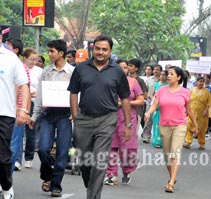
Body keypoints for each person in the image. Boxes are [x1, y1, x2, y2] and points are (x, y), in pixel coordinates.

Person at [67, 35, 131, 199]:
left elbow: (125, 98)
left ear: (110, 51)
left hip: (107, 119)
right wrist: (75, 116)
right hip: (84, 119)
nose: (100, 52)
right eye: (98, 49)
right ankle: (91, 184)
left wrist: (128, 125)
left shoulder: (117, 71)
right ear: (92, 49)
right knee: (82, 157)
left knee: (100, 159)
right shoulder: (81, 68)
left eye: (104, 49)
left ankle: (93, 195)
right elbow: (73, 92)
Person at [30, 39, 74, 197]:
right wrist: (34, 117)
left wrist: (75, 114)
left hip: (65, 116)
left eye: (51, 51)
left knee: (63, 151)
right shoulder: (46, 71)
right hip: (48, 114)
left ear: (61, 53)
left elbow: (77, 94)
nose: (49, 54)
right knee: (42, 149)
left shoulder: (72, 72)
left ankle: (56, 186)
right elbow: (41, 96)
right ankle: (47, 176)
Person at [145, 66, 198, 193]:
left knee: (175, 153)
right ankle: (172, 177)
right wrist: (148, 113)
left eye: (171, 74)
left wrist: (195, 125)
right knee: (167, 156)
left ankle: (170, 183)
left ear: (178, 77)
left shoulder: (185, 92)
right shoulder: (162, 90)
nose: (168, 76)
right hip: (164, 125)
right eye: (168, 74)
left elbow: (189, 110)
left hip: (180, 125)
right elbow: (154, 105)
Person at [0, 27, 30, 199]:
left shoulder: (10, 58)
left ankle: (6, 186)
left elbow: (24, 84)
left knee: (3, 158)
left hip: (4, 114)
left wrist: (23, 110)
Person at [104, 59, 144, 185]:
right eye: (119, 67)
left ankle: (126, 171)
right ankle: (111, 174)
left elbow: (141, 100)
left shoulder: (133, 82)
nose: (123, 70)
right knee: (110, 147)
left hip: (128, 117)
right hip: (110, 117)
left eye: (125, 67)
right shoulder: (107, 81)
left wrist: (126, 103)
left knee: (127, 148)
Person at [5, 38, 32, 173]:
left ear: (15, 50)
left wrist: (25, 111)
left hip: (17, 111)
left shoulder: (22, 67)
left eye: (7, 46)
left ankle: (7, 177)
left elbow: (25, 87)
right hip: (5, 110)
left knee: (13, 144)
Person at [184, 76, 211, 150]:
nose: (201, 83)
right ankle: (188, 142)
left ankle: (202, 144)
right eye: (200, 81)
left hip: (202, 113)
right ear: (196, 82)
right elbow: (187, 100)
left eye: (202, 82)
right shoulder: (191, 90)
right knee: (189, 126)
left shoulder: (206, 91)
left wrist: (206, 111)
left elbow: (209, 102)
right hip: (192, 112)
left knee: (201, 128)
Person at [141, 64, 161, 143]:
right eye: (154, 69)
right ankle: (146, 136)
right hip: (150, 102)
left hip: (160, 104)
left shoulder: (163, 80)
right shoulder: (149, 79)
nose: (155, 71)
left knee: (158, 121)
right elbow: (145, 90)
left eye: (157, 69)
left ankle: (158, 138)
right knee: (148, 119)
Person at [151, 70, 169, 148]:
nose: (162, 76)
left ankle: (162, 142)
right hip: (156, 107)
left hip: (165, 107)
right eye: (161, 74)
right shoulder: (156, 84)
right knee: (156, 124)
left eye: (164, 75)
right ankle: (156, 141)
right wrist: (154, 100)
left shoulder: (168, 85)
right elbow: (152, 94)